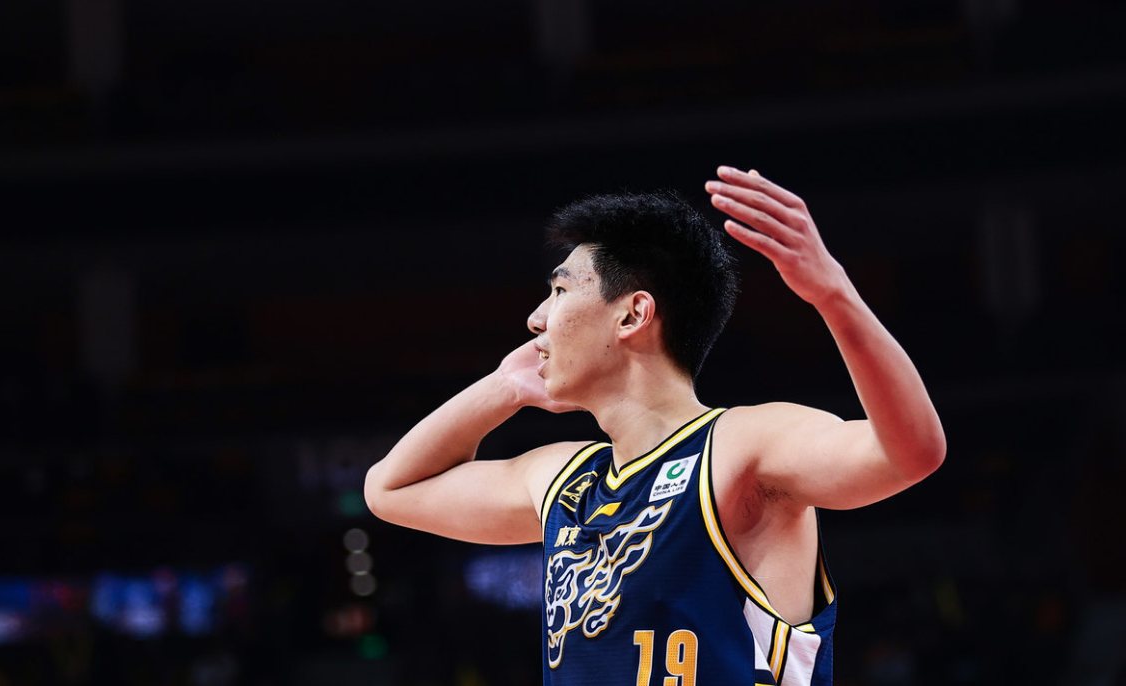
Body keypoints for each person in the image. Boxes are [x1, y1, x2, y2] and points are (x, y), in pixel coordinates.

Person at [364, 166, 946, 686]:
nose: (537, 317)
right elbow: (389, 490)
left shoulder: (741, 447)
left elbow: (912, 453)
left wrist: (834, 296)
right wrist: (503, 389)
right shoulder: (564, 481)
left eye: (560, 290)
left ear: (633, 314)